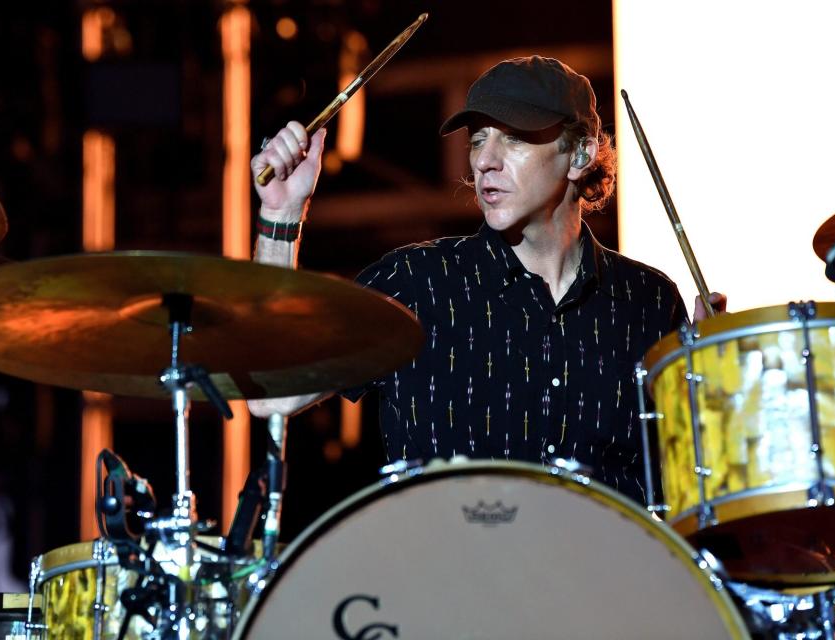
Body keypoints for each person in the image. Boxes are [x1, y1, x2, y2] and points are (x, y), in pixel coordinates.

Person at [248, 56, 723, 505]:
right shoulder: (417, 283)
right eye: (478, 139)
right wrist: (281, 213)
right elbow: (273, 395)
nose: (484, 161)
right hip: (450, 583)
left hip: (606, 584)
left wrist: (720, 387)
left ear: (579, 154)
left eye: (513, 138)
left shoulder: (648, 300)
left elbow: (699, 488)